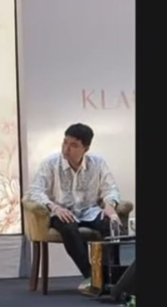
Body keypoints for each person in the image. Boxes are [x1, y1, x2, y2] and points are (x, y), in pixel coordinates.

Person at [26, 123, 122, 293]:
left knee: (111, 225)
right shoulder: (50, 163)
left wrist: (110, 205)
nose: (66, 148)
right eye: (65, 142)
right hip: (60, 212)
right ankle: (92, 277)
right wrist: (54, 207)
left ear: (86, 149)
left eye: (73, 145)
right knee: (69, 227)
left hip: (89, 211)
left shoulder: (98, 163)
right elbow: (35, 191)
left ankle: (113, 277)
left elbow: (110, 188)